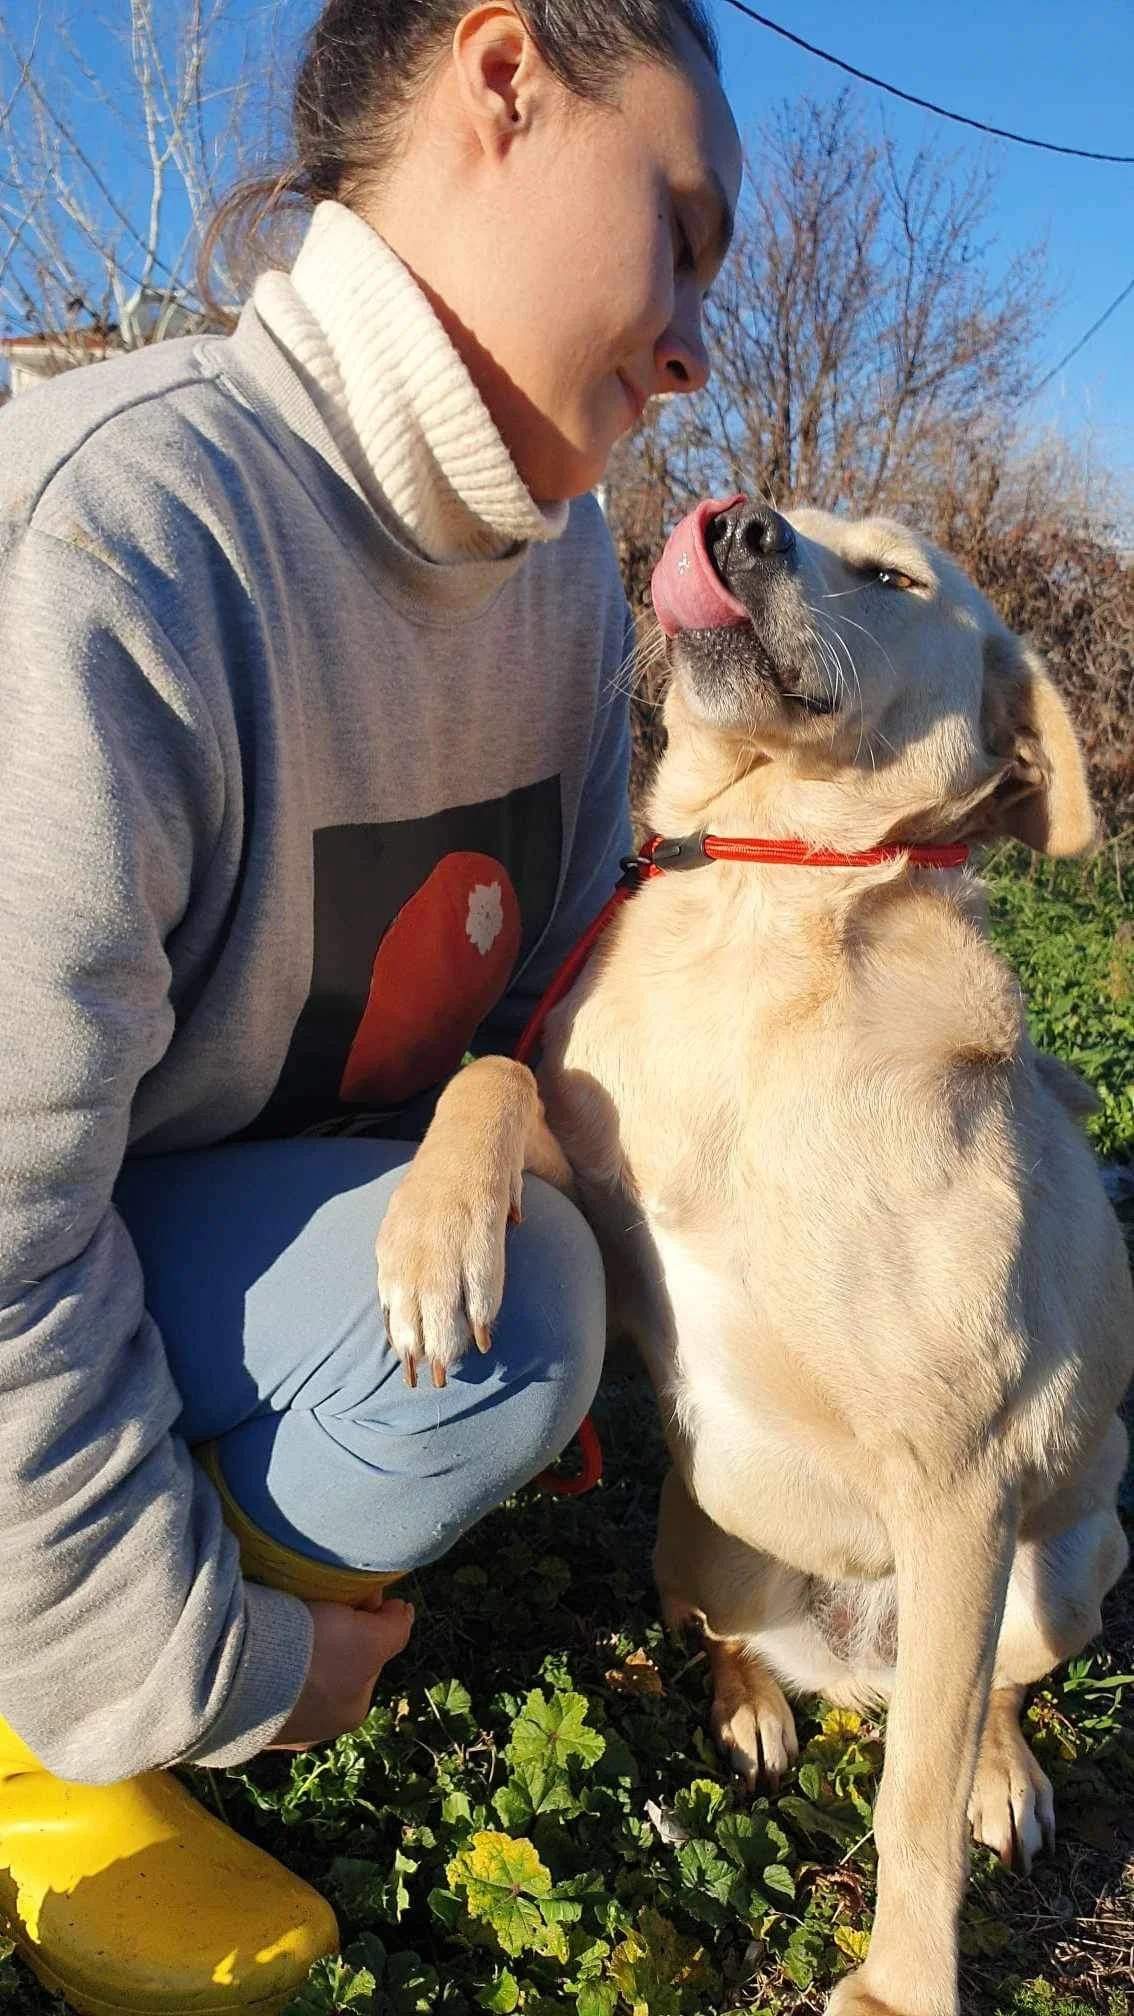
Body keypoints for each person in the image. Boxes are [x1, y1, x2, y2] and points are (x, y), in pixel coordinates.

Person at [0, 3, 741, 2009]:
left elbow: (558, 993)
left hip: (195, 1236)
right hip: (44, 1260)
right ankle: (47, 1751)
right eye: (677, 232)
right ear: (503, 79)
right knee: (517, 1314)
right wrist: (202, 1663)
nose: (694, 341)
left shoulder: (562, 577)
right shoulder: (117, 536)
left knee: (516, 1299)